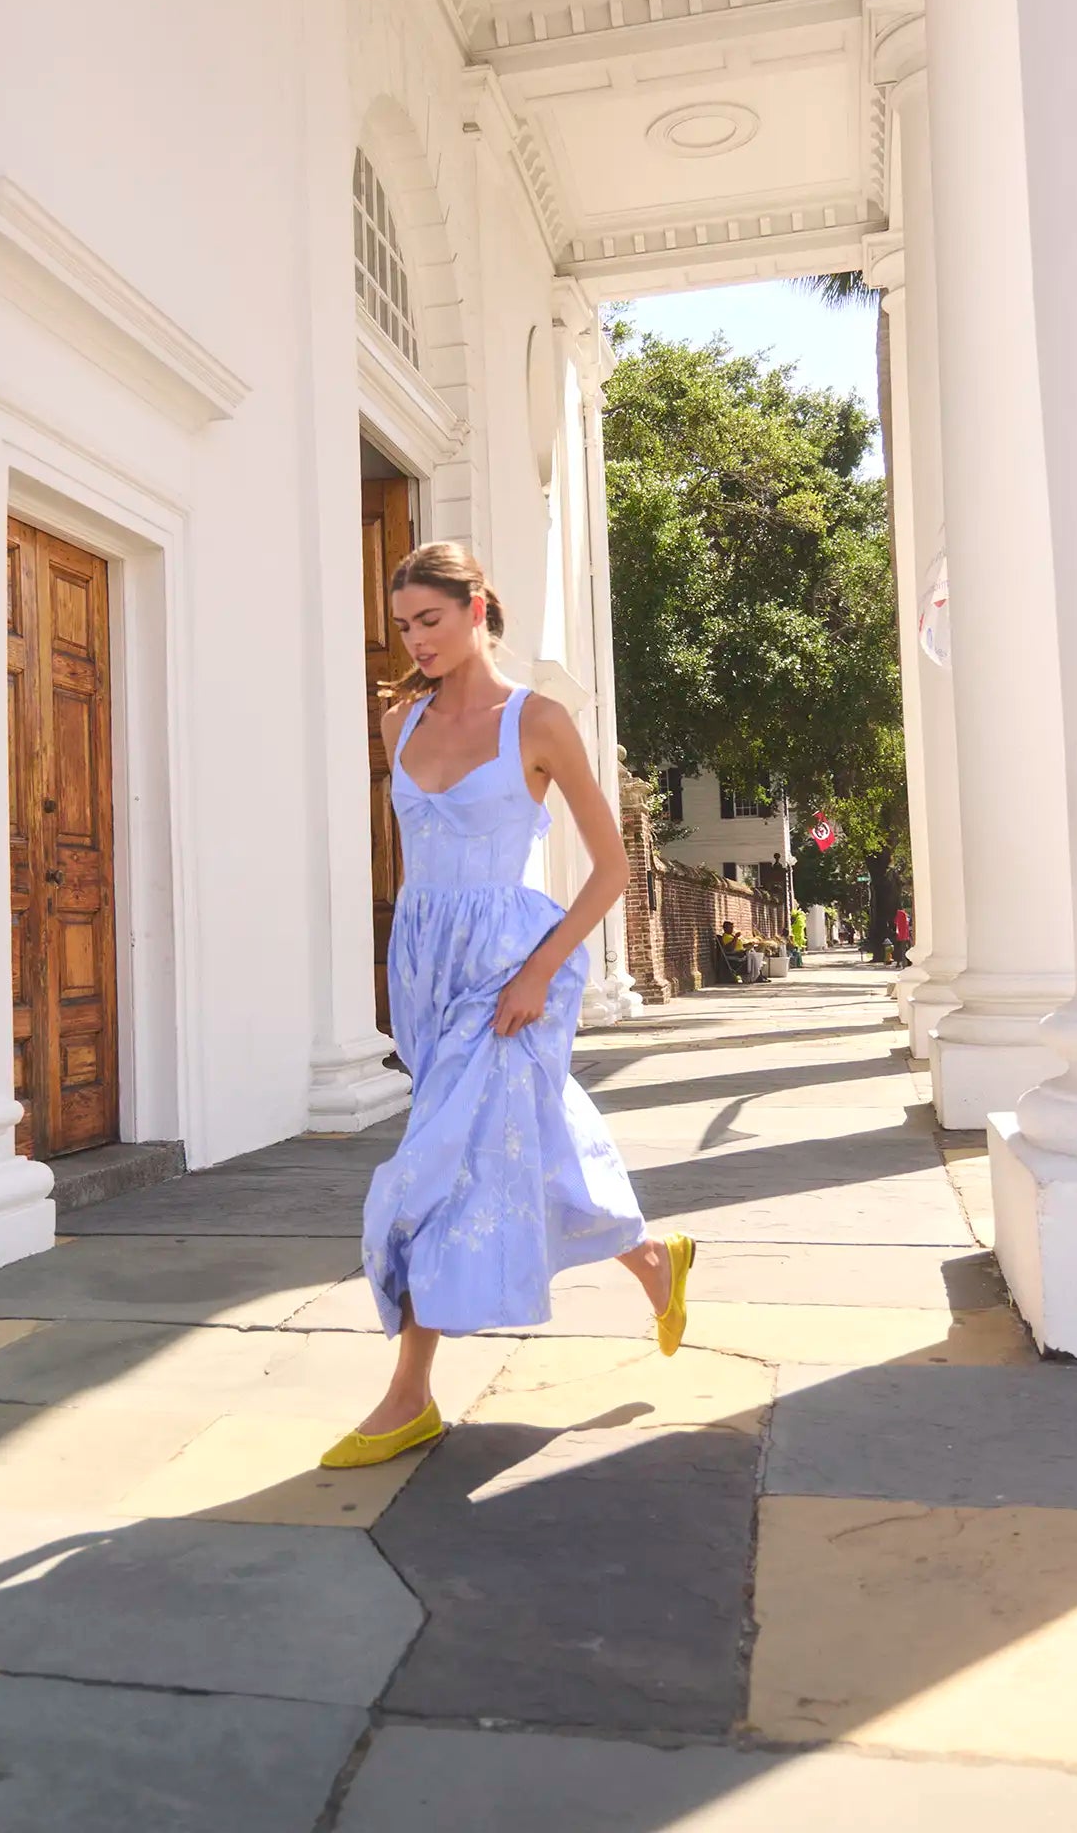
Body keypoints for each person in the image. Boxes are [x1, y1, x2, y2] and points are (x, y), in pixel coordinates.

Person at [321, 542, 697, 1470]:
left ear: (476, 607)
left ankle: (408, 1395)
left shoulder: (538, 720)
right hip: (426, 967)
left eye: (431, 620)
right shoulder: (399, 722)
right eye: (404, 626)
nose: (416, 640)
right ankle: (654, 1259)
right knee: (529, 1133)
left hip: (508, 970)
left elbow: (612, 870)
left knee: (435, 1164)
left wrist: (537, 974)